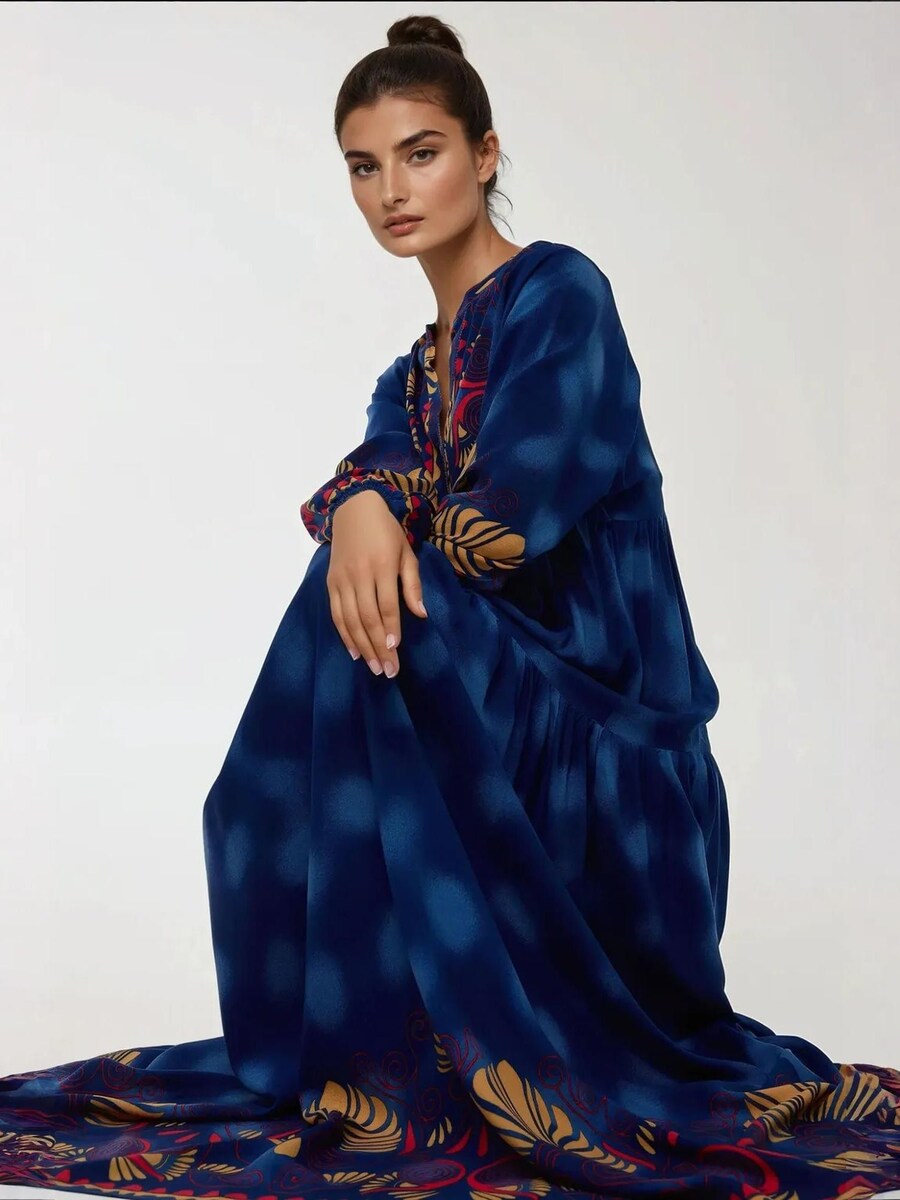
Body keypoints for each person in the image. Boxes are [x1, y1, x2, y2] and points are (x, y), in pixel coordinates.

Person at [1, 14, 898, 1200]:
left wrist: (372, 507)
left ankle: (409, 1051)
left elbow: (505, 524)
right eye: (362, 166)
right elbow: (374, 469)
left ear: (483, 153)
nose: (390, 190)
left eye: (419, 154)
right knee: (358, 609)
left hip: (608, 765)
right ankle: (365, 1050)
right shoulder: (411, 373)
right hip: (489, 724)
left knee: (391, 612)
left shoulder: (562, 294)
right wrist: (360, 504)